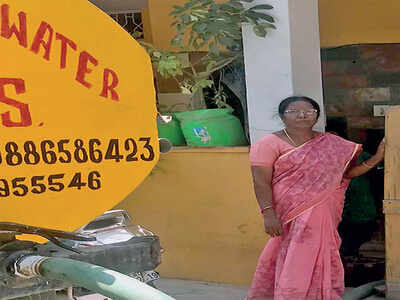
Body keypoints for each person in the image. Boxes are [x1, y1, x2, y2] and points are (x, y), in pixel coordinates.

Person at [245, 96, 385, 300]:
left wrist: (376, 158)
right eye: (294, 111)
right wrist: (268, 214)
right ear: (282, 116)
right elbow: (260, 181)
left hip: (322, 214)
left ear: (317, 115)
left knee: (318, 255)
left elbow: (345, 174)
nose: (302, 115)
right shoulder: (268, 143)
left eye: (309, 111)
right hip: (288, 214)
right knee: (290, 256)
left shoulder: (330, 143)